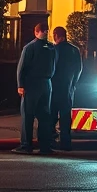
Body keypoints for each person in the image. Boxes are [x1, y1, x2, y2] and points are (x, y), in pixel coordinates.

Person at [13, 22, 57, 154]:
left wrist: (20, 85)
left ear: (36, 32)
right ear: (47, 31)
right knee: (45, 116)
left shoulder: (30, 47)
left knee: (28, 115)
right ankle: (45, 146)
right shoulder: (51, 48)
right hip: (47, 84)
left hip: (32, 84)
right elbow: (54, 65)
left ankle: (26, 145)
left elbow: (22, 67)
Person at [50, 26, 82, 151]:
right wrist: (73, 83)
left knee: (52, 115)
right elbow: (79, 69)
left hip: (54, 87)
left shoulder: (53, 50)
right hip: (68, 87)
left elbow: (51, 68)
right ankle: (66, 142)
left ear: (56, 35)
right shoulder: (75, 50)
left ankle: (51, 141)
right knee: (65, 116)